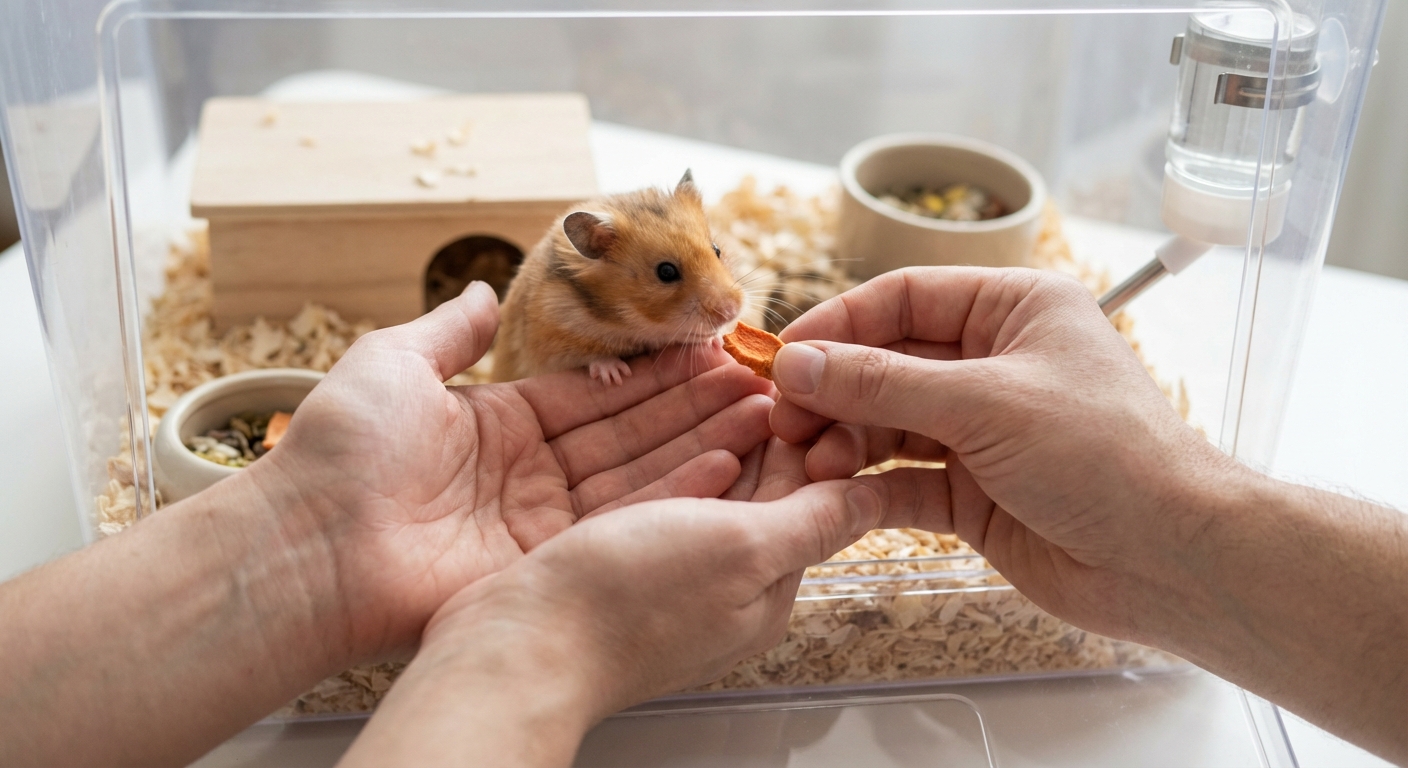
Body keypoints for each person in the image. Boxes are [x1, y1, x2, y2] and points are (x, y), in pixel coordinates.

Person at [0, 269, 1401, 767]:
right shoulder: (559, 306)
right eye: (678, 283)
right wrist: (541, 645)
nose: (719, 302)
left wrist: (300, 551)